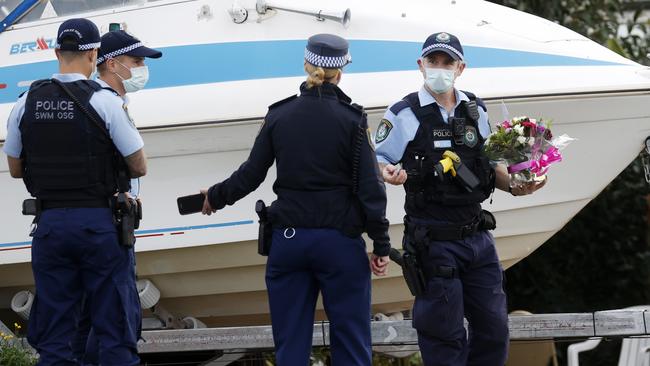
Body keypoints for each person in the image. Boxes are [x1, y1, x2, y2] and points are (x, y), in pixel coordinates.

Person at [200, 34, 391, 365]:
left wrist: (214, 197)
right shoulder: (352, 120)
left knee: (290, 347)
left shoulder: (279, 116)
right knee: (352, 344)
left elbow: (250, 175)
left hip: (289, 242)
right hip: (339, 244)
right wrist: (382, 244)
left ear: (305, 64)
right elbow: (371, 189)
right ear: (342, 68)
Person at [374, 32, 546, 366]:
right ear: (421, 65)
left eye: (447, 62)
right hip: (433, 241)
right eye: (433, 61)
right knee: (445, 336)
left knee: (494, 331)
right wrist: (386, 173)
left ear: (460, 67)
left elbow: (490, 163)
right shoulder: (403, 114)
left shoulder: (475, 110)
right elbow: (376, 160)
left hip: (477, 237)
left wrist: (516, 185)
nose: (440, 68)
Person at [3, 18, 146, 366]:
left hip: (50, 226)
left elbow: (15, 168)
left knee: (57, 337)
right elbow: (139, 165)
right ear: (94, 53)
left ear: (56, 52)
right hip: (99, 226)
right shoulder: (105, 101)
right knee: (115, 331)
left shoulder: (25, 102)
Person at [70, 29, 162, 365]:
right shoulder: (104, 102)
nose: (140, 68)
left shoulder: (95, 100)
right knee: (117, 322)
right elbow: (138, 165)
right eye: (135, 61)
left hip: (87, 223)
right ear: (112, 64)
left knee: (86, 321)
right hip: (107, 226)